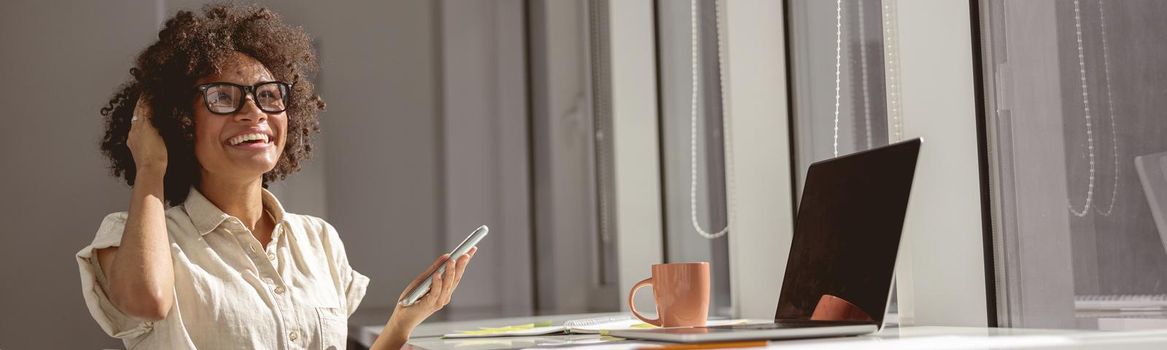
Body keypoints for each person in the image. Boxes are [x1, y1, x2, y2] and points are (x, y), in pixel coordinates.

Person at [76, 4, 472, 349]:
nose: (254, 111)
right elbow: (147, 301)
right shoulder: (132, 236)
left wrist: (402, 324)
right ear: (176, 122)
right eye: (223, 97)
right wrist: (150, 166)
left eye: (268, 94)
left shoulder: (318, 240)